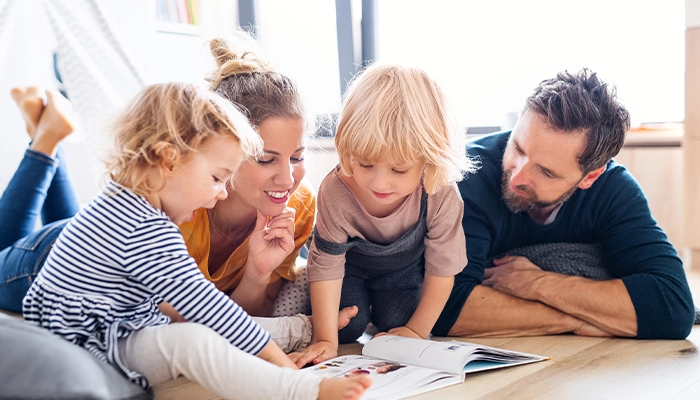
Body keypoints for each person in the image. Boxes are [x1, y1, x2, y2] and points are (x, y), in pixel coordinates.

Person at [21, 81, 371, 400]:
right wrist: (284, 369)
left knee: (220, 329)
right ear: (169, 161)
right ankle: (301, 391)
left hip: (111, 328)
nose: (221, 194)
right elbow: (209, 310)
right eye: (218, 178)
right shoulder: (143, 227)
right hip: (90, 345)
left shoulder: (123, 201)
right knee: (195, 341)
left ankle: (303, 331)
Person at [0, 32, 333, 322]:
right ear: (225, 154)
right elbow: (184, 325)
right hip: (61, 261)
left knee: (67, 220)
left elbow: (245, 321)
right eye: (265, 159)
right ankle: (44, 143)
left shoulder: (297, 205)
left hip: (85, 230)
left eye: (298, 157)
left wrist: (257, 274)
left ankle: (48, 138)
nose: (288, 178)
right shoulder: (181, 203)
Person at [432, 68, 695, 340]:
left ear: (589, 177)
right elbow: (444, 307)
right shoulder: (466, 175)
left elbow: (673, 308)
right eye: (518, 149)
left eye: (546, 172)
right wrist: (572, 320)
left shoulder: (614, 191)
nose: (517, 176)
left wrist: (538, 284)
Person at [292, 63, 476, 367]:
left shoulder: (440, 193)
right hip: (350, 270)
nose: (379, 183)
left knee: (398, 321)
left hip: (404, 272)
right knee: (347, 326)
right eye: (365, 165)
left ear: (428, 161)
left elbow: (443, 269)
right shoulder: (336, 190)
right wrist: (325, 339)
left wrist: (417, 331)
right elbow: (326, 266)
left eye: (399, 170)